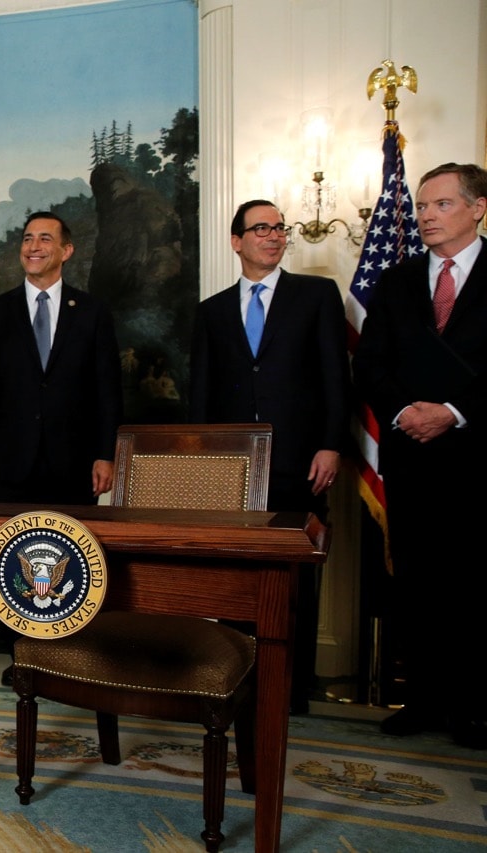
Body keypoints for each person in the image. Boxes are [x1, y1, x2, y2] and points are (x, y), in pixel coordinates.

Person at [190, 199, 350, 714]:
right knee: (237, 581)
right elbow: (202, 395)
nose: (274, 235)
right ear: (236, 241)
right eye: (261, 228)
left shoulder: (316, 296)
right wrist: (205, 464)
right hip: (234, 470)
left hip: (301, 462)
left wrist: (331, 444)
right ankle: (240, 681)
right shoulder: (211, 311)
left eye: (280, 228)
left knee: (295, 577)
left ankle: (292, 688)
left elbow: (334, 377)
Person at [353, 162, 487, 749]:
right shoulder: (397, 280)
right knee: (417, 582)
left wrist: (454, 412)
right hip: (410, 457)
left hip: (478, 461)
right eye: (422, 206)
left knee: (475, 584)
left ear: (477, 208)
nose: (426, 216)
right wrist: (406, 412)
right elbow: (371, 365)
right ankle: (424, 700)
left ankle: (475, 708)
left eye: (441, 205)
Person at [0, 211, 122, 685]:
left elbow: (106, 390)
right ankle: (22, 661)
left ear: (66, 251)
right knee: (14, 563)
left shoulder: (92, 312)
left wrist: (105, 452)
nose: (33, 246)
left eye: (45, 239)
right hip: (10, 462)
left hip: (74, 463)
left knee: (70, 562)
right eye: (28, 239)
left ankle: (67, 664)